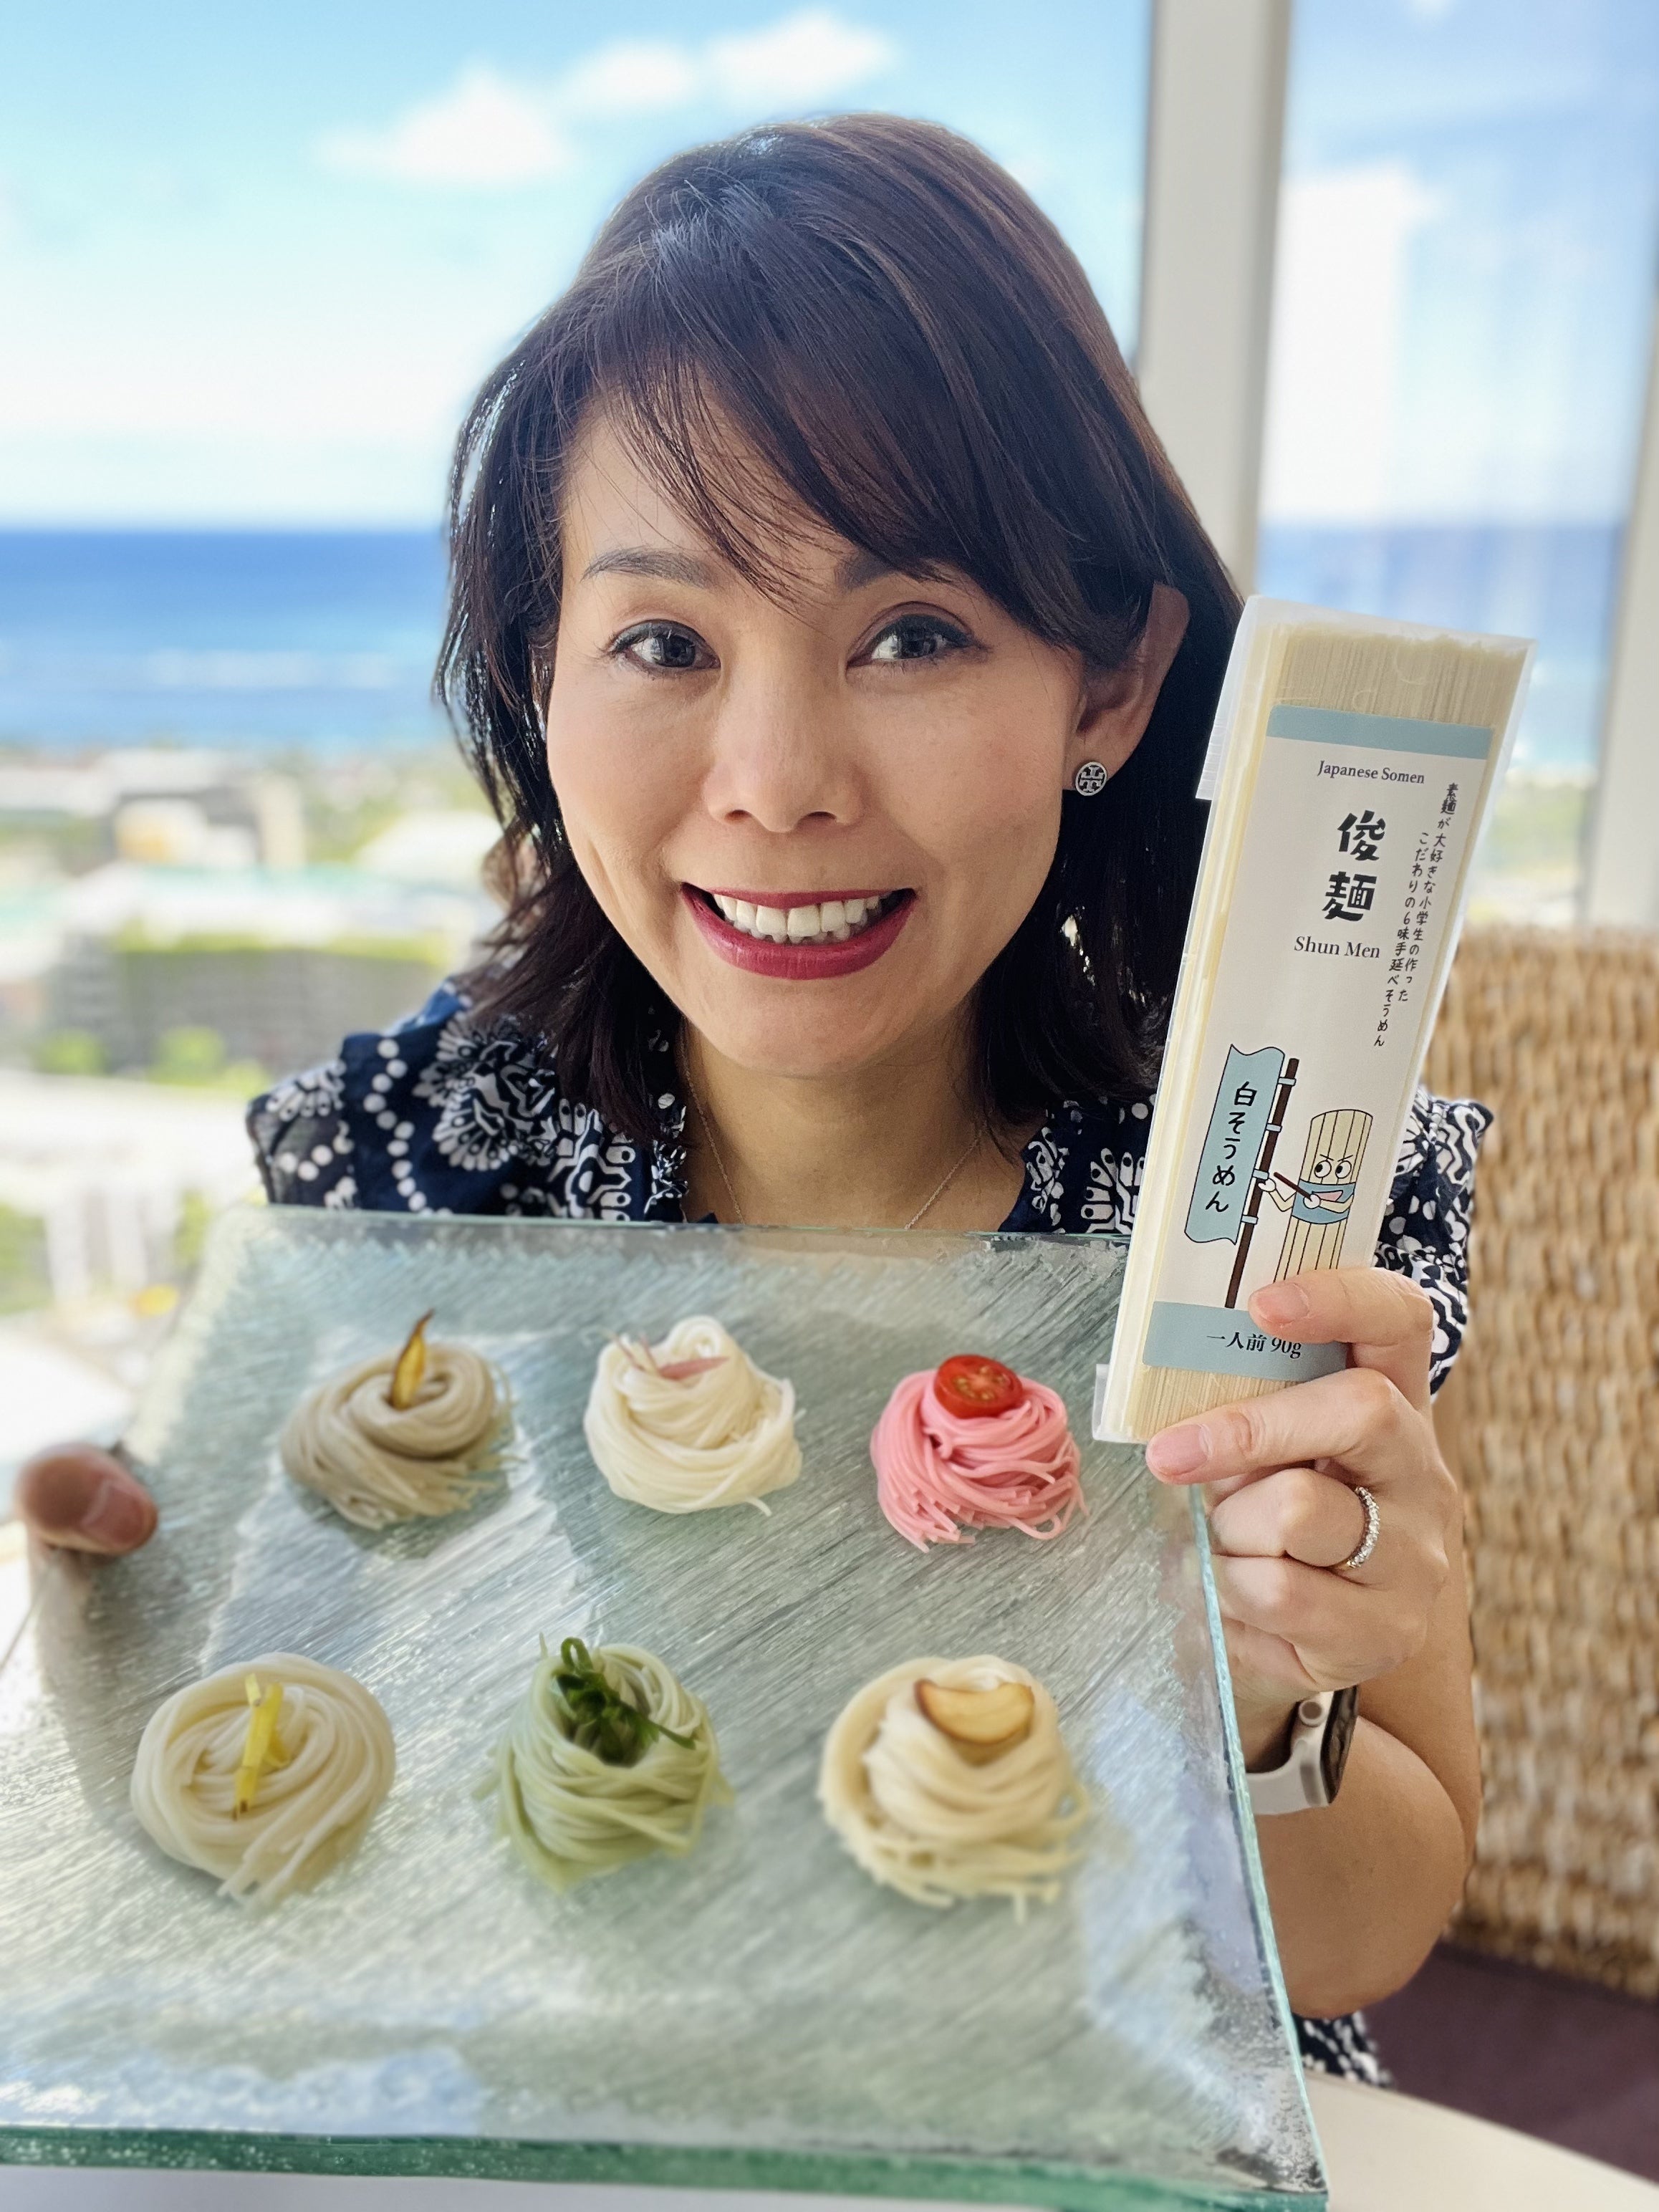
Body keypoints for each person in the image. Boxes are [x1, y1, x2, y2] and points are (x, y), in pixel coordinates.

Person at [15, 114, 1481, 2085]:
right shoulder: (414, 1177)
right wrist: (110, 1637)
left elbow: (1369, 1927)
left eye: (911, 635)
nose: (778, 781)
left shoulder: (1267, 1212)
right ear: (536, 675)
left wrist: (1260, 1696)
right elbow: (273, 1846)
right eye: (662, 641)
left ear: (1108, 683)